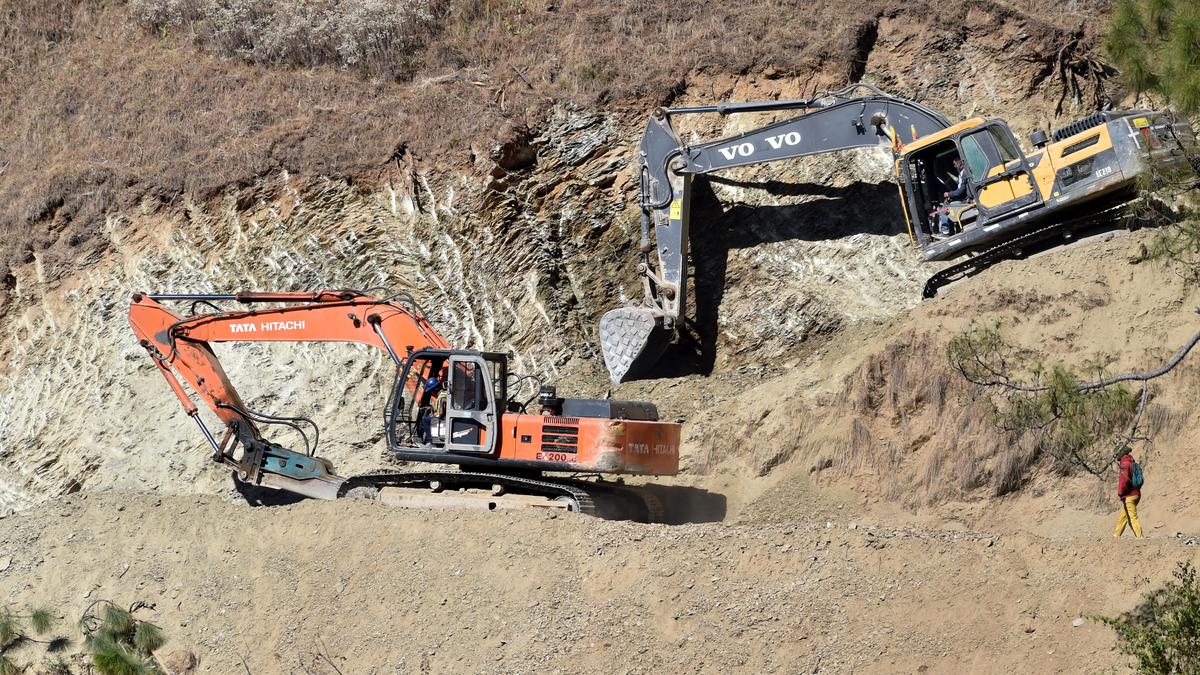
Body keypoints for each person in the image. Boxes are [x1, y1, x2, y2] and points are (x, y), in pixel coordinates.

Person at [936, 157, 973, 236]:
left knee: (943, 210)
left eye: (955, 164)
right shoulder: (963, 173)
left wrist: (949, 194)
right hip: (965, 198)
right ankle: (952, 230)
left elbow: (960, 191)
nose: (954, 166)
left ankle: (946, 231)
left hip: (967, 200)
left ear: (960, 163)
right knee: (947, 205)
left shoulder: (964, 173)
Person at [1113, 446, 1143, 538]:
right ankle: (1116, 536)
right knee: (1123, 516)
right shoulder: (1131, 462)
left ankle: (1140, 537)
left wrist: (1120, 492)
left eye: (1117, 453)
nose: (1116, 455)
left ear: (1121, 453)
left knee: (1132, 517)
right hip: (1136, 494)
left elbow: (1124, 480)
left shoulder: (1125, 464)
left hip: (1129, 495)